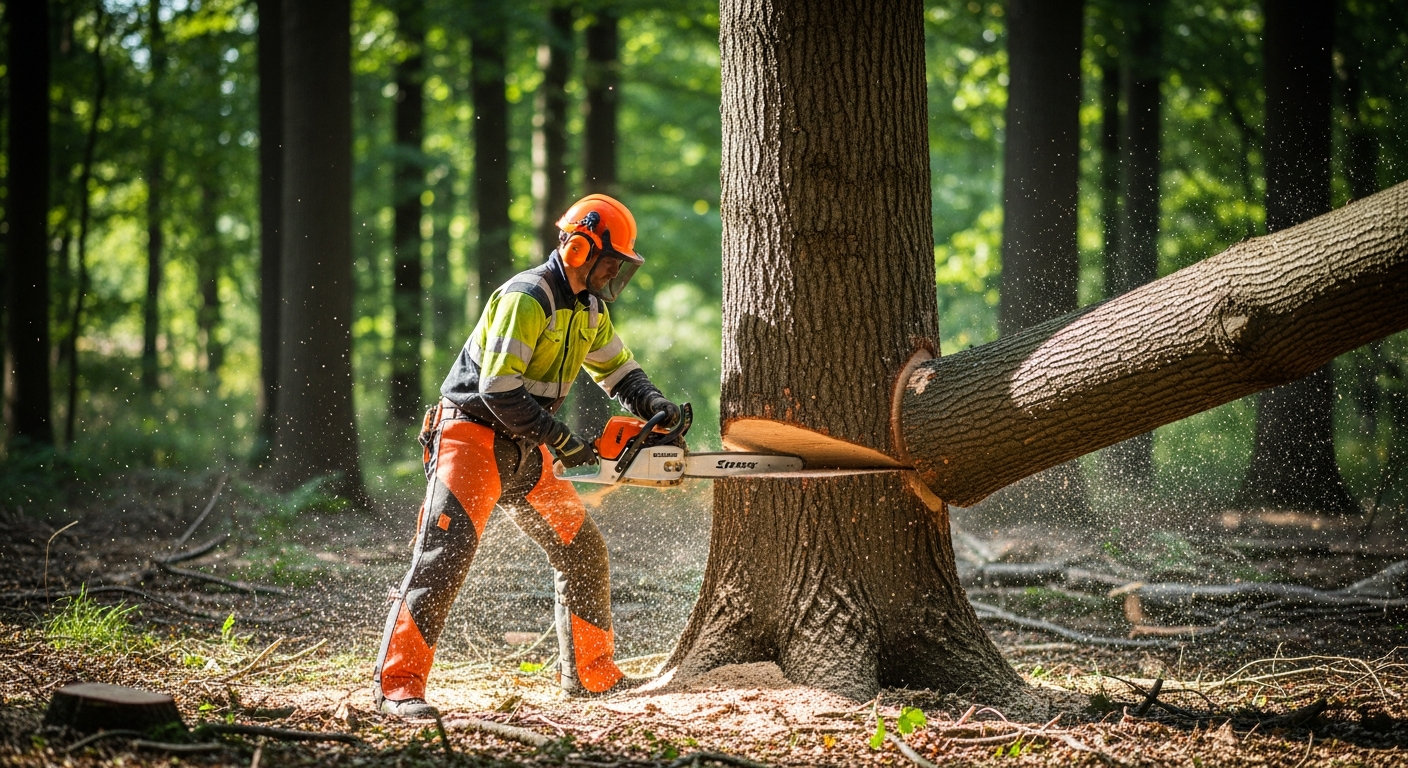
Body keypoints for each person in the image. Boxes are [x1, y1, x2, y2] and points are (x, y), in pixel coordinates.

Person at [372, 194, 682, 718]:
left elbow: (618, 370)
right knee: (442, 559)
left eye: (618, 266)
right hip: (472, 437)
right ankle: (398, 686)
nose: (612, 273)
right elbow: (497, 388)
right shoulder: (528, 296)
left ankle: (591, 674)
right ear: (581, 247)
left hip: (525, 445)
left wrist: (652, 402)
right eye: (610, 261)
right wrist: (558, 437)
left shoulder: (589, 309)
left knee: (581, 549)